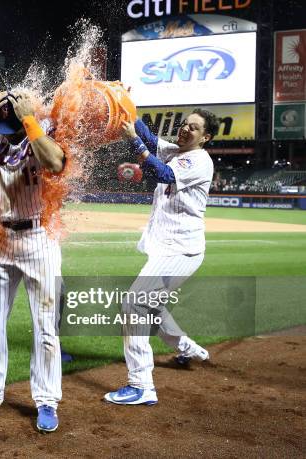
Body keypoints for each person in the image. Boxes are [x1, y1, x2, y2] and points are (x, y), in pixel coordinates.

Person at [0, 90, 66, 433]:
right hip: (3, 238)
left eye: (8, 126)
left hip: (39, 238)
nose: (4, 133)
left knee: (46, 326)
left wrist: (29, 120)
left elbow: (55, 163)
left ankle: (47, 399)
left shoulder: (45, 130)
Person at [104, 109, 219, 406]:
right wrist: (125, 106)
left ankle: (141, 385)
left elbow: (163, 173)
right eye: (184, 124)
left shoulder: (198, 160)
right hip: (167, 247)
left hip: (181, 250)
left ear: (205, 137)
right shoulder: (177, 151)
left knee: (134, 302)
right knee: (152, 308)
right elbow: (149, 137)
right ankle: (188, 348)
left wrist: (133, 142)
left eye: (193, 128)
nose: (185, 130)